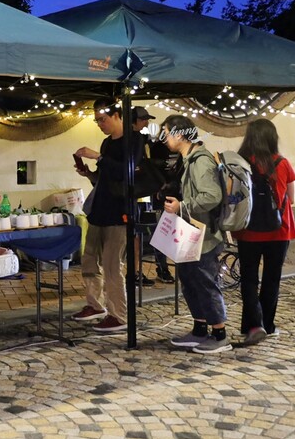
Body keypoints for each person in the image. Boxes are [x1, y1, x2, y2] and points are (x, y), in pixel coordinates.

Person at [160, 115, 232, 354]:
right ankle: (200, 329)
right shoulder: (187, 159)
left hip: (205, 236)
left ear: (179, 134)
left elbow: (212, 196)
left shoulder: (200, 161)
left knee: (205, 282)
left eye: (166, 133)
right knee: (190, 279)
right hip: (190, 233)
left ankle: (219, 334)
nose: (164, 138)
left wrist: (182, 206)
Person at [71, 98, 143, 333]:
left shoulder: (134, 141)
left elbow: (126, 173)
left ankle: (118, 315)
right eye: (97, 121)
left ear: (117, 116)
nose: (100, 124)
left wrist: (99, 157)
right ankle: (95, 305)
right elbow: (104, 179)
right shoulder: (106, 143)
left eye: (103, 119)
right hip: (98, 211)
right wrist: (88, 174)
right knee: (89, 260)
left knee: (112, 266)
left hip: (119, 213)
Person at [233, 118, 295, 345]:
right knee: (272, 279)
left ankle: (252, 325)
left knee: (249, 279)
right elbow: (291, 198)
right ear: (272, 137)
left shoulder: (239, 163)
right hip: (279, 230)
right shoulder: (282, 163)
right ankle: (267, 326)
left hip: (248, 230)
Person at [132, 106, 175, 285]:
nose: (147, 123)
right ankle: (159, 268)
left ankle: (165, 268)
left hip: (171, 192)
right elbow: (147, 165)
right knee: (158, 230)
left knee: (170, 231)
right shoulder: (151, 145)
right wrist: (160, 184)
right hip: (153, 193)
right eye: (144, 120)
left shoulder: (150, 142)